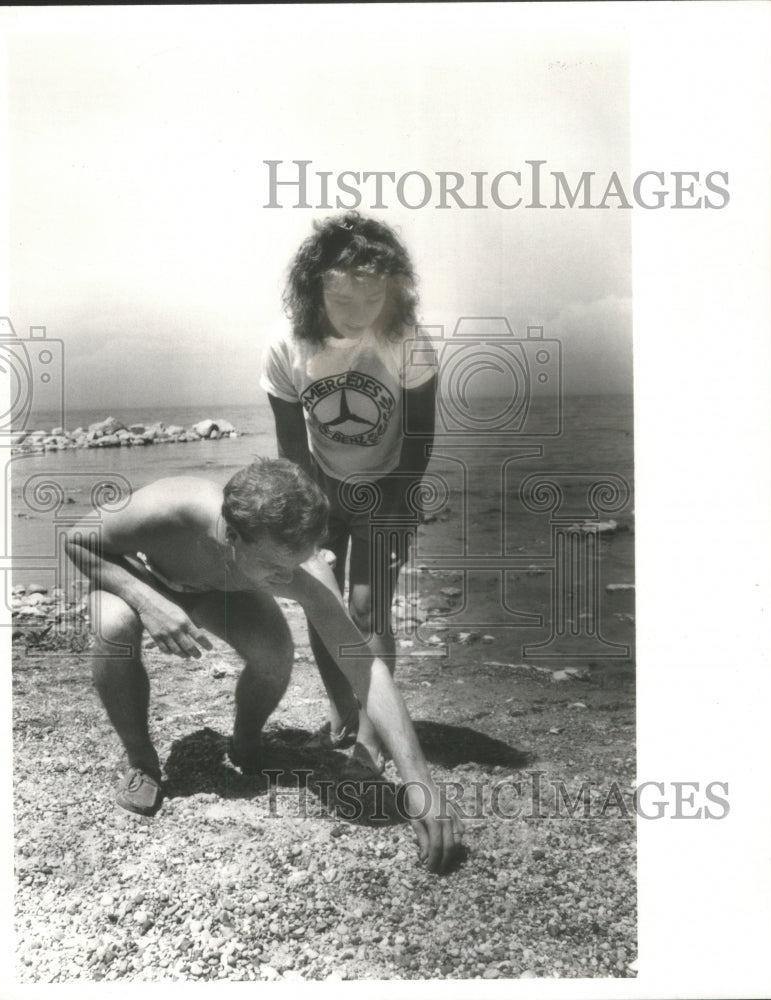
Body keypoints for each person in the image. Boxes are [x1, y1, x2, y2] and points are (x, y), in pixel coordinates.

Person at [65, 458, 462, 873]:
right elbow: (77, 539)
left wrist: (420, 783)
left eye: (296, 562)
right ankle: (142, 763)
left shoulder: (299, 562)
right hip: (142, 578)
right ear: (232, 535)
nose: (288, 576)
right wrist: (149, 603)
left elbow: (365, 668)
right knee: (114, 626)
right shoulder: (175, 507)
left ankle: (246, 743)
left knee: (275, 654)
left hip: (216, 588)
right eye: (275, 567)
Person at [261, 211, 437, 779]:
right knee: (324, 599)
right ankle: (342, 712)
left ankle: (370, 739)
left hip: (388, 484)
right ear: (314, 292)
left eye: (373, 302)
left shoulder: (405, 339)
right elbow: (292, 444)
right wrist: (307, 524)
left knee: (368, 607)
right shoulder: (285, 344)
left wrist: (403, 512)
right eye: (344, 304)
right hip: (321, 482)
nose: (361, 317)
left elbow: (419, 434)